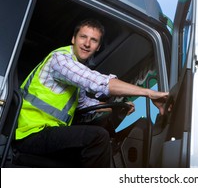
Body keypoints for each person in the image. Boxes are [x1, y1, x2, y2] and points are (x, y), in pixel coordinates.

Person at [13, 19, 168, 167]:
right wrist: (148, 93)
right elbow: (95, 81)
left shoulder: (74, 78)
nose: (87, 44)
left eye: (93, 40)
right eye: (83, 37)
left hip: (46, 132)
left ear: (98, 47)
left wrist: (116, 106)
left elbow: (84, 104)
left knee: (94, 151)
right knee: (98, 137)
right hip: (29, 133)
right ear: (73, 39)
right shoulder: (60, 60)